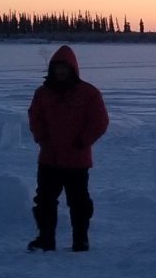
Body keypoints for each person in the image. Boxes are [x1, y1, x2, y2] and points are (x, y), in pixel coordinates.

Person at [27, 45, 109, 252]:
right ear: (52, 69)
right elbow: (35, 117)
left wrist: (83, 141)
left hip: (76, 158)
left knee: (79, 202)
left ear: (72, 68)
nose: (60, 71)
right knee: (45, 201)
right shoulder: (42, 93)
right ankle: (46, 239)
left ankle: (80, 240)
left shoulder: (89, 93)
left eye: (64, 67)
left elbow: (99, 122)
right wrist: (41, 137)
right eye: (57, 67)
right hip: (49, 158)